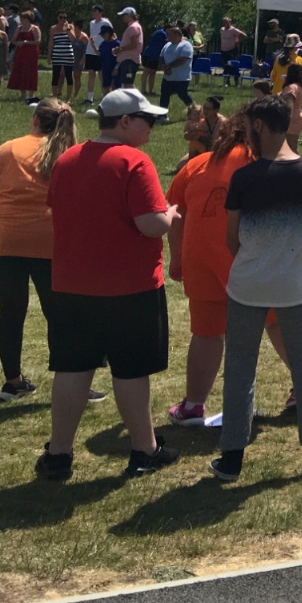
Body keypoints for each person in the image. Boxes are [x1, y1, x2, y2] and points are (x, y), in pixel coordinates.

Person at [38, 87, 180, 482]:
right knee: (131, 370)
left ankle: (58, 454)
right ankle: (144, 450)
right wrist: (170, 215)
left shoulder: (67, 159)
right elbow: (150, 225)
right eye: (147, 120)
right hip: (129, 288)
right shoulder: (134, 161)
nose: (152, 126)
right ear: (125, 121)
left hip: (72, 285)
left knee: (72, 367)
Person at [213, 95, 302, 480]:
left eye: (247, 129)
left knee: (239, 369)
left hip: (246, 287)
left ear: (259, 126)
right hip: (296, 288)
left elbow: (232, 238)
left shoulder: (243, 178)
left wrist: (258, 262)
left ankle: (232, 459)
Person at [163, 108, 289, 427]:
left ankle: (193, 405)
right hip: (249, 258)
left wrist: (177, 259)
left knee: (206, 332)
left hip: (201, 259)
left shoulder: (197, 164)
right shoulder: (262, 162)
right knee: (276, 323)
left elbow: (175, 216)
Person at [0, 99, 78, 401]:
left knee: (11, 311)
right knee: (59, 313)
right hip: (48, 239)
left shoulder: (8, 148)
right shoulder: (70, 153)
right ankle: (71, 381)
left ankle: (13, 382)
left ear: (35, 119)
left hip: (2, 239)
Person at [158, 25, 194, 118]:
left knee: (183, 95)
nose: (168, 37)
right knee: (164, 96)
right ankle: (162, 115)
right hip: (168, 77)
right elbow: (161, 57)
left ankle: (195, 112)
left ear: (177, 35)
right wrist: (163, 67)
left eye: (170, 35)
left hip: (181, 78)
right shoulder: (167, 45)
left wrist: (169, 66)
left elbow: (182, 59)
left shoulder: (186, 45)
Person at [9, 5, 42, 102]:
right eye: (21, 18)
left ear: (28, 19)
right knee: (21, 71)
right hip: (20, 53)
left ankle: (31, 94)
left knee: (30, 72)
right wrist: (17, 43)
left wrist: (27, 42)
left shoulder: (34, 28)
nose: (22, 20)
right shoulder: (19, 28)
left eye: (24, 18)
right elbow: (13, 40)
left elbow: (38, 41)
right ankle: (22, 94)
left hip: (31, 53)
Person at [49, 12, 80, 102]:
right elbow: (51, 42)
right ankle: (54, 97)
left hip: (68, 55)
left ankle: (68, 98)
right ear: (57, 18)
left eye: (65, 17)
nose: (63, 19)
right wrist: (49, 55)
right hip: (57, 55)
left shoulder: (70, 27)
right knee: (55, 76)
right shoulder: (53, 28)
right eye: (61, 17)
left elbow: (73, 39)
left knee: (69, 76)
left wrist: (68, 30)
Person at [114, 7, 143, 90]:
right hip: (128, 59)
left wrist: (120, 49)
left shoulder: (133, 27)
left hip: (130, 60)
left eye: (124, 15)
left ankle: (135, 97)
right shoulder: (133, 26)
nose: (123, 17)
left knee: (128, 83)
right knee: (126, 83)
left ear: (130, 15)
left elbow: (134, 44)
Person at [84, 5, 107, 103]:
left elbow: (111, 34)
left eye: (95, 11)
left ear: (100, 12)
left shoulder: (106, 22)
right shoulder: (91, 23)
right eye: (93, 11)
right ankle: (90, 98)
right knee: (91, 74)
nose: (93, 13)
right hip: (90, 51)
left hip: (100, 50)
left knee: (101, 74)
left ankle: (104, 96)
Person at [140, 21, 168, 97]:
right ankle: (143, 90)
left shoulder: (163, 33)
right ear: (167, 29)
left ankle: (151, 90)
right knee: (146, 72)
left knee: (153, 73)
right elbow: (169, 40)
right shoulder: (162, 33)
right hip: (149, 54)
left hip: (156, 56)